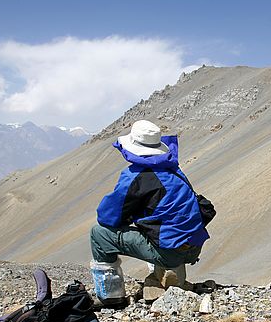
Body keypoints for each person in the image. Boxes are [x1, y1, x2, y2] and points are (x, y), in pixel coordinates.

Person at [89, 120, 209, 303]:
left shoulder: (135, 177)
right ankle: (170, 274)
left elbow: (107, 217)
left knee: (99, 235)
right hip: (193, 247)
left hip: (170, 251)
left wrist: (129, 216)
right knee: (160, 226)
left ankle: (110, 295)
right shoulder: (174, 170)